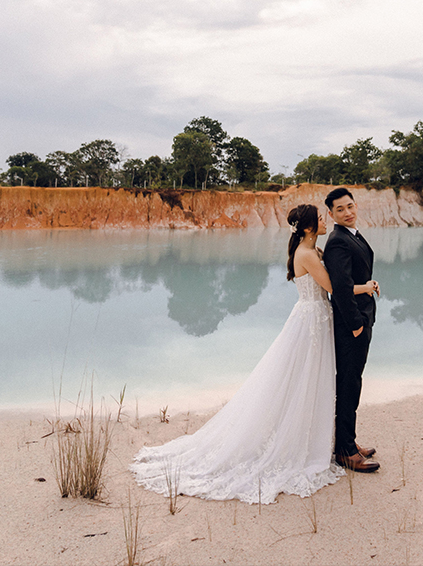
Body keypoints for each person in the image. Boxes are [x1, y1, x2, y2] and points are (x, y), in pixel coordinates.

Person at [129, 203, 344, 504]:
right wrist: (364, 286)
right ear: (308, 227)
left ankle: (306, 441)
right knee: (300, 380)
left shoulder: (313, 251)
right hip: (310, 320)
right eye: (320, 219)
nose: (325, 221)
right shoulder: (307, 254)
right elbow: (334, 285)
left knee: (306, 381)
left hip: (315, 319)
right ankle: (295, 445)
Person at [322, 187, 381, 472]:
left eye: (350, 206)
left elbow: (356, 277)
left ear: (356, 205)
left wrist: (370, 285)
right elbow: (341, 289)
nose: (347, 212)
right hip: (351, 325)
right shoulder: (337, 241)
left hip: (362, 317)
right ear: (331, 214)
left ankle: (349, 440)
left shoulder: (352, 236)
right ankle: (344, 451)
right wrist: (356, 325)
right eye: (340, 209)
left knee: (353, 382)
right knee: (348, 384)